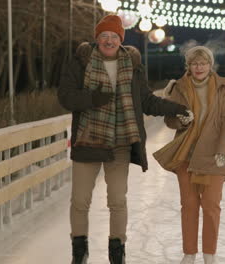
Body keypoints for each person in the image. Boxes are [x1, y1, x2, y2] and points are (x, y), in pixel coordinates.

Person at [58, 15, 190, 264]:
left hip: (120, 144)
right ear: (97, 39)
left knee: (118, 200)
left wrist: (175, 108)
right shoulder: (82, 62)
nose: (109, 40)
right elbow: (65, 96)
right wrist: (91, 99)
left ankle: (117, 251)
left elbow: (146, 101)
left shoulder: (131, 65)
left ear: (121, 40)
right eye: (104, 36)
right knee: (79, 201)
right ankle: (79, 250)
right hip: (88, 142)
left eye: (114, 37)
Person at [153, 46, 225, 264]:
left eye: (203, 63)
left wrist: (223, 151)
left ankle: (209, 254)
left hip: (213, 155)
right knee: (189, 204)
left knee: (211, 205)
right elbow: (169, 119)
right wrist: (179, 120)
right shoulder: (178, 88)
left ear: (211, 65)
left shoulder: (224, 88)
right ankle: (189, 253)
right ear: (188, 66)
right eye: (194, 63)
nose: (199, 67)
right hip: (186, 154)